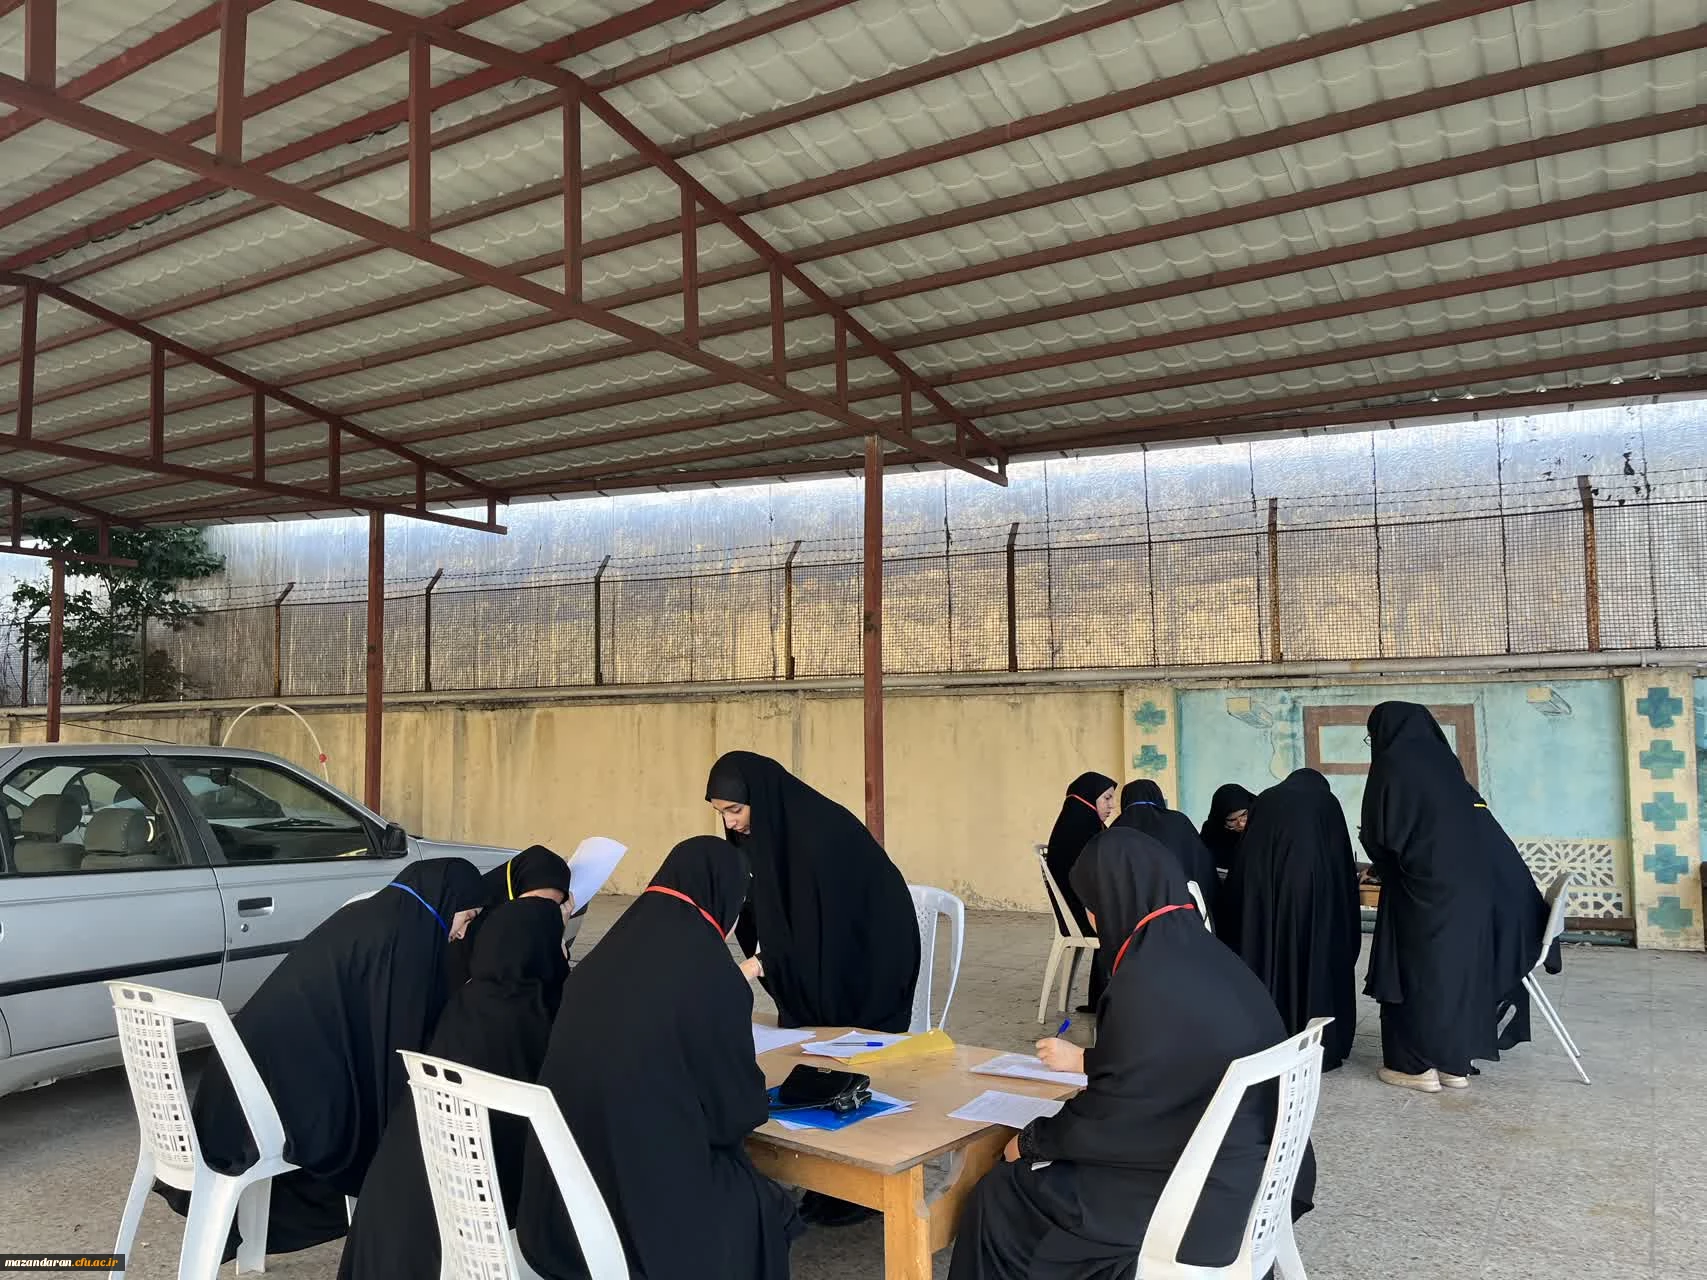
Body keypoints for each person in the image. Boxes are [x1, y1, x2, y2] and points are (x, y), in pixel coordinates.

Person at [948, 827, 1313, 1280]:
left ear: (1111, 902)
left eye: (1091, 905)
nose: (1092, 919)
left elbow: (1112, 1116)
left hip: (1197, 1205)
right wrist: (1089, 1064)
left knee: (1004, 1192)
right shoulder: (1210, 956)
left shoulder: (1144, 981)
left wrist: (1030, 1141)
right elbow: (1163, 1067)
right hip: (1251, 1178)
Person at [162, 858, 486, 1254]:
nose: (462, 933)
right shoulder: (401, 939)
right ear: (445, 900)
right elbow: (398, 1049)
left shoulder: (372, 915)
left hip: (238, 1090)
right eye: (466, 918)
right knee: (398, 1139)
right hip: (266, 1106)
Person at [517, 837, 800, 1280]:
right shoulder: (712, 975)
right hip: (644, 1205)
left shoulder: (601, 959)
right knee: (763, 1205)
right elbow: (735, 1115)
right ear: (723, 898)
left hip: (561, 1200)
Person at [339, 895, 569, 1280]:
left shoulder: (467, 1002)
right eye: (558, 942)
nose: (564, 953)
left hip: (388, 1230)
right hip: (469, 1236)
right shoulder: (530, 1020)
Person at [704, 751, 919, 1033]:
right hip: (824, 955)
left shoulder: (816, 836)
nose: (729, 823)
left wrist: (760, 963)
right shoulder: (760, 832)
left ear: (761, 797)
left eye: (735, 810)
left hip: (870, 957)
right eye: (721, 813)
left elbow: (820, 923)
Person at [1361, 701, 1498, 1092]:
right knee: (1452, 972)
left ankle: (1415, 1068)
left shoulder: (1391, 765)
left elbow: (1378, 834)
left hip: (1417, 890)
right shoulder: (1448, 765)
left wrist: (1380, 867)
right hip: (1469, 890)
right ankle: (1453, 1065)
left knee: (1416, 973)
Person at [1219, 769, 1361, 1070]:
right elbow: (1341, 863)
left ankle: (1271, 1039)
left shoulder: (1268, 799)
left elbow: (1246, 865)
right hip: (1318, 900)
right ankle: (1318, 1042)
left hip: (1268, 902)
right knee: (1314, 963)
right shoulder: (1326, 802)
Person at [1470, 786, 1560, 1053]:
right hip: (1526, 934)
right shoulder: (1487, 828)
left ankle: (1458, 1034)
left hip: (1513, 943)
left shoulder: (1467, 833)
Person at [446, 844, 572, 987]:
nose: (539, 911)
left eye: (550, 907)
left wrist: (556, 934)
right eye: (534, 901)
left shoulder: (528, 928)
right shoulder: (465, 921)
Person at [1044, 771, 1118, 1012]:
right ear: (1088, 799)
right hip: (1079, 914)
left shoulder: (1084, 825)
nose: (1112, 806)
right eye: (1106, 798)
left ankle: (1106, 999)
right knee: (1130, 922)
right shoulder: (1078, 831)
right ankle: (1114, 1002)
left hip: (1085, 908)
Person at [1112, 779, 1219, 925]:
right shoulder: (1177, 821)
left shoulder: (1115, 829)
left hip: (1134, 920)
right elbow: (1202, 866)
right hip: (1182, 913)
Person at [1199, 783, 1256, 874]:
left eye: (1244, 815)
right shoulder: (1211, 833)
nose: (1241, 824)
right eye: (1232, 820)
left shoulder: (1262, 827)